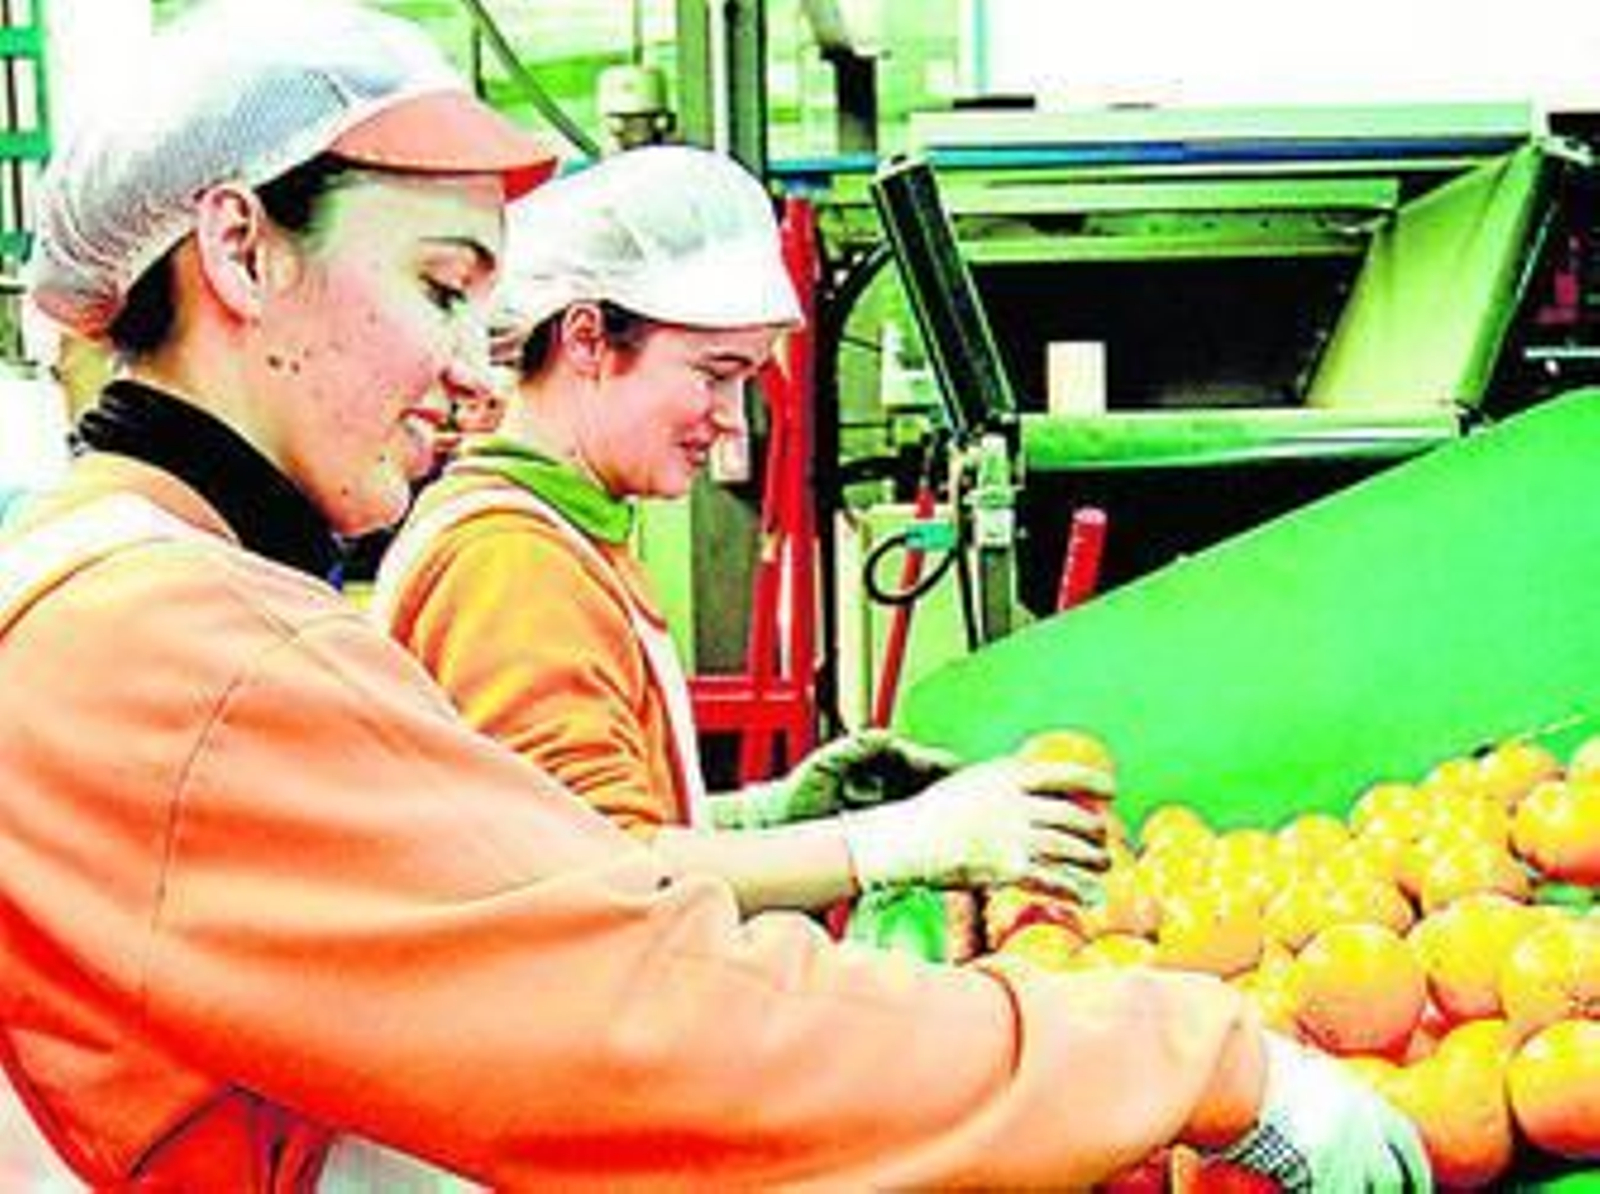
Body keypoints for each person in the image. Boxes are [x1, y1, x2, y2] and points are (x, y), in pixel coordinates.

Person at [0, 0, 1430, 1189]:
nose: (468, 370)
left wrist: (793, 820)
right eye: (441, 289)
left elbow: (530, 894)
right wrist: (1192, 1055)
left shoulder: (106, 586)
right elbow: (632, 1012)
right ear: (241, 249)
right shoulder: (184, 649)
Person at [372, 144, 1113, 921]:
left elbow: (570, 829)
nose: (731, 416)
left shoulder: (562, 534)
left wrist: (772, 816)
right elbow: (596, 881)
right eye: (713, 373)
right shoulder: (510, 565)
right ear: (587, 338)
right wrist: (890, 843)